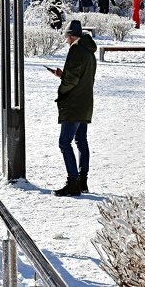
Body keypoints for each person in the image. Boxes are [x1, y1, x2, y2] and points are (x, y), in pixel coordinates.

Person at [49, 19, 97, 197]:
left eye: (66, 37)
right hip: (85, 103)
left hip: (74, 103)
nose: (66, 40)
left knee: (64, 142)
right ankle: (82, 180)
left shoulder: (76, 49)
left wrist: (61, 91)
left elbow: (72, 80)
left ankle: (73, 182)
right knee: (81, 141)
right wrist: (63, 75)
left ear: (71, 36)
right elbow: (81, 77)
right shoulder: (89, 51)